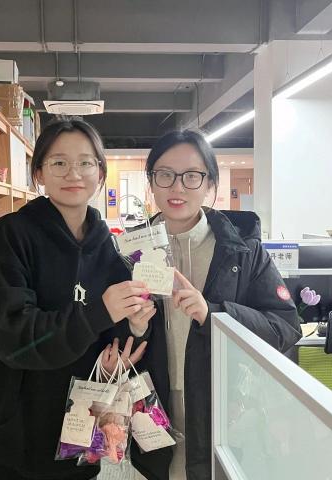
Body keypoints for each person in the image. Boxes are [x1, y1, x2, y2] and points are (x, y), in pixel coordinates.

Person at [0, 117, 155, 480]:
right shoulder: (12, 235)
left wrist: (135, 327)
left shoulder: (109, 248)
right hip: (10, 441)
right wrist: (98, 312)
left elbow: (112, 337)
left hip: (77, 438)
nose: (73, 173)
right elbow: (12, 336)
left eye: (85, 162)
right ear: (39, 173)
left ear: (100, 172)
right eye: (59, 162)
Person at [126, 129, 302, 480]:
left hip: (220, 406)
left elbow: (285, 326)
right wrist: (134, 326)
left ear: (210, 184)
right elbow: (112, 335)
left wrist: (214, 315)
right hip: (152, 401)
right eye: (165, 175)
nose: (177, 187)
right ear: (152, 183)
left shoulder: (242, 250)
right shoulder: (132, 249)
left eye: (192, 176)